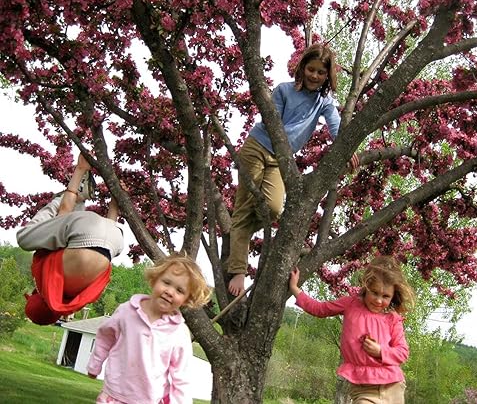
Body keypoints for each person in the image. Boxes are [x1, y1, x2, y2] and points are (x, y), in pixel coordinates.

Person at [227, 43, 360, 296]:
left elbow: (335, 126)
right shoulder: (283, 90)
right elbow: (273, 122)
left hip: (281, 160)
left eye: (321, 72)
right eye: (311, 69)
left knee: (273, 208)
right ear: (302, 68)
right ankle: (238, 270)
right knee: (244, 207)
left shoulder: (324, 101)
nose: (315, 76)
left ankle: (238, 231)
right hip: (257, 147)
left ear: (327, 75)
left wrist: (347, 147)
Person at [87, 254, 212, 404]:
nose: (170, 292)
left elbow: (181, 377)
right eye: (166, 282)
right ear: (154, 279)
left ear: (186, 299)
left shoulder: (179, 333)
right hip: (114, 395)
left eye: (179, 290)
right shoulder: (126, 312)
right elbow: (105, 337)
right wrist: (95, 365)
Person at [289, 256, 415, 404]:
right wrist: (294, 288)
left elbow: (402, 352)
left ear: (393, 296)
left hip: (392, 387)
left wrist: (381, 351)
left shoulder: (393, 319)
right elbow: (320, 308)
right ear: (366, 287)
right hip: (364, 388)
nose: (379, 300)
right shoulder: (351, 304)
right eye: (374, 292)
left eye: (386, 296)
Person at [16, 153, 124, 325]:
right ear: (38, 296)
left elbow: (103, 247)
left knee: (72, 240)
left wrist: (115, 204)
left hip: (115, 239)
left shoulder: (77, 298)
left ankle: (81, 200)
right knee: (24, 238)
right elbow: (64, 213)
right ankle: (77, 194)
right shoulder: (46, 282)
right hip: (82, 229)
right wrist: (80, 168)